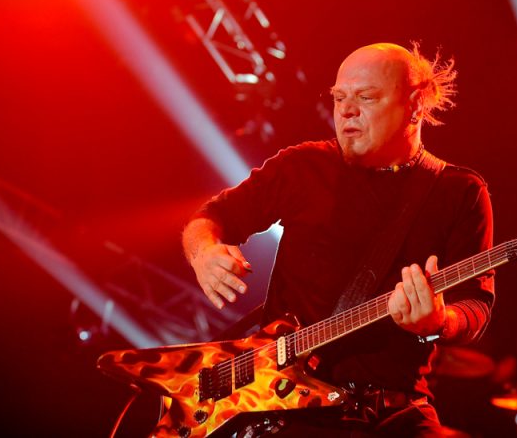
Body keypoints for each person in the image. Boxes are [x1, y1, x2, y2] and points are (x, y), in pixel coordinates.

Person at [182, 42, 494, 436]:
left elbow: (476, 305)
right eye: (339, 97)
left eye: (366, 97)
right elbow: (211, 217)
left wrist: (438, 321)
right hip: (287, 410)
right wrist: (204, 252)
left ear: (414, 105)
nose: (346, 110)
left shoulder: (460, 192)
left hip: (392, 412)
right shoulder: (301, 166)